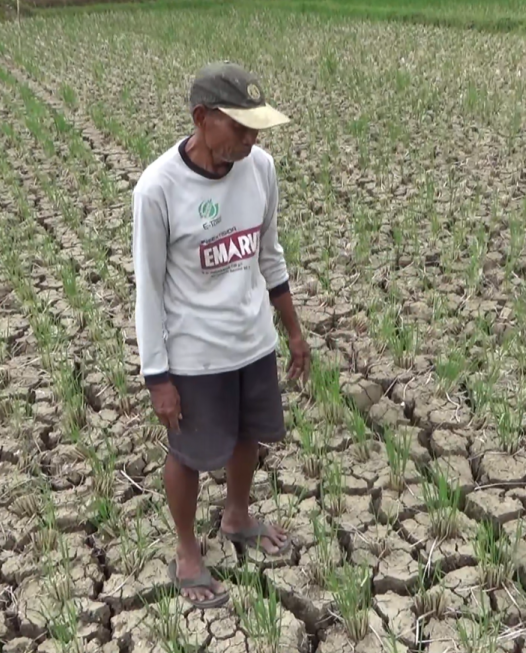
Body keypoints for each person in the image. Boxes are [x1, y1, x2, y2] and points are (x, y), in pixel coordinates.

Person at [131, 61, 312, 608]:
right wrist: (157, 376)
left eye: (258, 127)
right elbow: (149, 290)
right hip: (195, 352)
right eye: (240, 127)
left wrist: (294, 332)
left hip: (252, 340)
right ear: (202, 119)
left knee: (247, 434)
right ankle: (188, 551)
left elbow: (269, 254)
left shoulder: (261, 168)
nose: (252, 139)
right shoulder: (158, 189)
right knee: (187, 453)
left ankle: (237, 517)